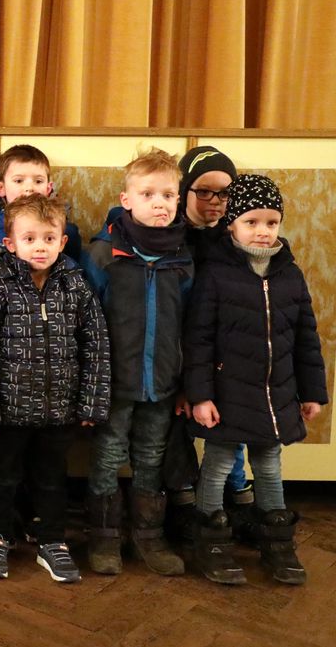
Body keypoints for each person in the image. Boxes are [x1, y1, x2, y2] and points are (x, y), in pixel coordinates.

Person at [184, 174, 327, 585]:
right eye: (252, 221)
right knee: (216, 466)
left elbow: (305, 339)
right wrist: (200, 396)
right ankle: (212, 542)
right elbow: (199, 342)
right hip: (226, 395)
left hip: (276, 395)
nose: (262, 231)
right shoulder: (215, 274)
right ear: (231, 223)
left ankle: (277, 542)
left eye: (271, 222)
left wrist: (312, 392)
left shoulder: (290, 276)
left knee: (268, 465)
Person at [0, 194, 110, 583]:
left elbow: (96, 345)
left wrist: (91, 403)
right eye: (29, 238)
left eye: (48, 238)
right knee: (2, 476)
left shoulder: (76, 285)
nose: (40, 246)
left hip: (59, 408)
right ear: (10, 243)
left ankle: (51, 541)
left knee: (51, 478)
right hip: (8, 410)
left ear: (63, 241)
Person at [81, 148, 192, 577]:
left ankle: (149, 535)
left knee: (151, 457)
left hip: (163, 382)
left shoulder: (183, 258)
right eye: (148, 194)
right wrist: (92, 382)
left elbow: (189, 324)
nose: (159, 202)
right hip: (115, 382)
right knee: (108, 454)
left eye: (168, 194)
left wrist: (184, 382)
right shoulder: (105, 254)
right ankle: (104, 536)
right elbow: (87, 325)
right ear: (127, 200)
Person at [164, 146, 250, 540]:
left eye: (224, 193)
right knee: (173, 427)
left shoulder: (238, 238)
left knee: (228, 429)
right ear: (184, 190)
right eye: (204, 191)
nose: (215, 202)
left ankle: (239, 497)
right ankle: (183, 500)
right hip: (175, 348)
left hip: (222, 353)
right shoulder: (170, 235)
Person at [0, 144, 83, 281]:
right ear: (0, 188)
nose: (29, 188)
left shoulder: (67, 232)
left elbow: (74, 277)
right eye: (19, 181)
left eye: (38, 181)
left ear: (48, 188)